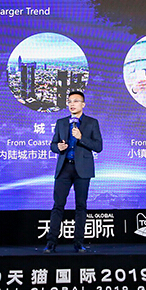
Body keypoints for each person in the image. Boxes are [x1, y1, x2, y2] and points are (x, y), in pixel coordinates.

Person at [44, 91, 103, 253]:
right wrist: (58, 147)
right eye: (70, 101)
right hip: (64, 168)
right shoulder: (61, 122)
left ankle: (78, 242)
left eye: (76, 101)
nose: (72, 104)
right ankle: (51, 242)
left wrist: (81, 137)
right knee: (58, 206)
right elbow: (53, 144)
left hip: (82, 170)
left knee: (81, 206)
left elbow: (98, 147)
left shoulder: (92, 123)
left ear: (83, 104)